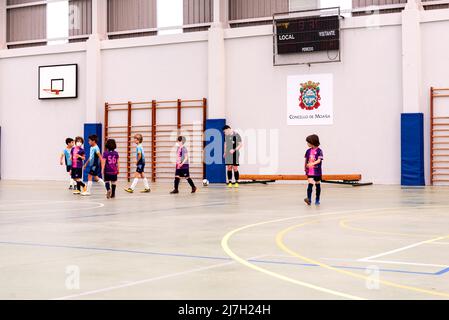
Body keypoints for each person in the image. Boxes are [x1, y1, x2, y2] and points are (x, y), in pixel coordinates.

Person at [304, 134, 323, 206]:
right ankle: (309, 199)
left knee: (317, 184)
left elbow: (319, 160)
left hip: (317, 171)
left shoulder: (319, 151)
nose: (307, 144)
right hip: (310, 171)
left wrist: (312, 164)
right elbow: (306, 160)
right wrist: (305, 167)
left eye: (308, 142)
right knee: (310, 183)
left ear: (312, 142)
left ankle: (317, 199)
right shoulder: (308, 151)